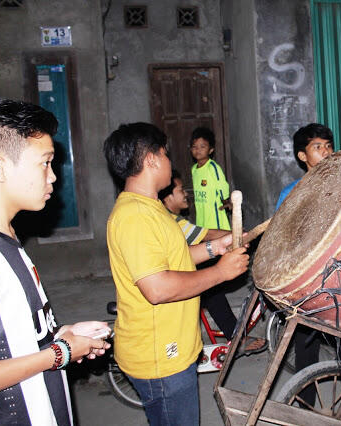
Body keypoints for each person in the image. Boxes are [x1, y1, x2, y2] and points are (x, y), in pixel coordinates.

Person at [104, 122, 248, 425]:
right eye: (166, 154)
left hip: (171, 350)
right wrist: (221, 273)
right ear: (151, 159)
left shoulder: (152, 208)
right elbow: (158, 288)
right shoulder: (135, 217)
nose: (172, 161)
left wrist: (214, 249)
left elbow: (174, 259)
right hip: (160, 359)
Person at [0, 99, 109, 424]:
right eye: (45, 163)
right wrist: (59, 353)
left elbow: (9, 341)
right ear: (0, 168)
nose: (53, 177)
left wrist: (60, 337)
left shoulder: (9, 242)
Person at [276, 123, 341, 407]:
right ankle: (305, 403)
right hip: (307, 282)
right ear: (303, 156)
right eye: (317, 148)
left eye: (328, 146)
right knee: (305, 345)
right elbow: (282, 241)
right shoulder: (291, 194)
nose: (325, 153)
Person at [158, 171, 266, 354]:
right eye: (180, 190)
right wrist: (237, 235)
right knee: (211, 289)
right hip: (171, 279)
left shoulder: (171, 218)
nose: (185, 193)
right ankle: (236, 338)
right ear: (167, 197)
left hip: (177, 269)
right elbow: (205, 234)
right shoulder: (170, 220)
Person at [190, 127, 230, 231]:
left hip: (214, 214)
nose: (198, 150)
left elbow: (222, 185)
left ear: (211, 150)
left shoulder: (212, 167)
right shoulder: (194, 169)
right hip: (201, 213)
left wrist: (226, 201)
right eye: (194, 147)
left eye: (202, 146)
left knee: (217, 239)